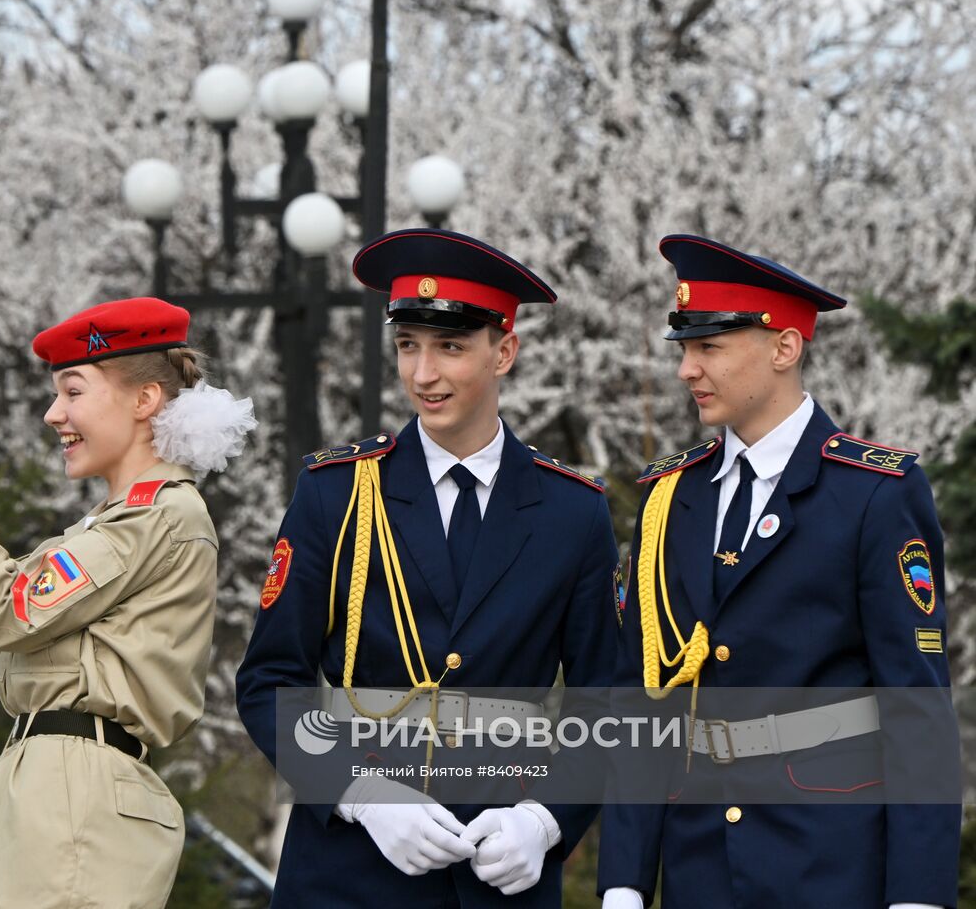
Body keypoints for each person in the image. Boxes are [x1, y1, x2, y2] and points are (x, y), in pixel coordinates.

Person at [236, 228, 621, 907]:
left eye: (449, 347)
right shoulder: (335, 492)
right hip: (345, 872)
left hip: (500, 874)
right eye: (407, 347)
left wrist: (544, 819)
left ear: (503, 351)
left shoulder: (573, 513)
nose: (422, 374)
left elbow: (605, 704)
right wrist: (361, 795)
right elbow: (270, 681)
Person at [597, 234, 960, 909]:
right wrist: (622, 880)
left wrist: (917, 897)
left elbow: (915, 710)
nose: (686, 369)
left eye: (709, 347)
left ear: (783, 348)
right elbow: (642, 703)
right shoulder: (668, 497)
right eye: (683, 348)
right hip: (695, 864)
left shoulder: (873, 493)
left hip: (829, 861)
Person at [0, 297, 255, 909]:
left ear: (144, 401)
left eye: (73, 390)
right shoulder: (112, 521)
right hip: (51, 779)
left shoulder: (157, 514)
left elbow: (1, 610)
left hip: (78, 784)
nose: (52, 413)